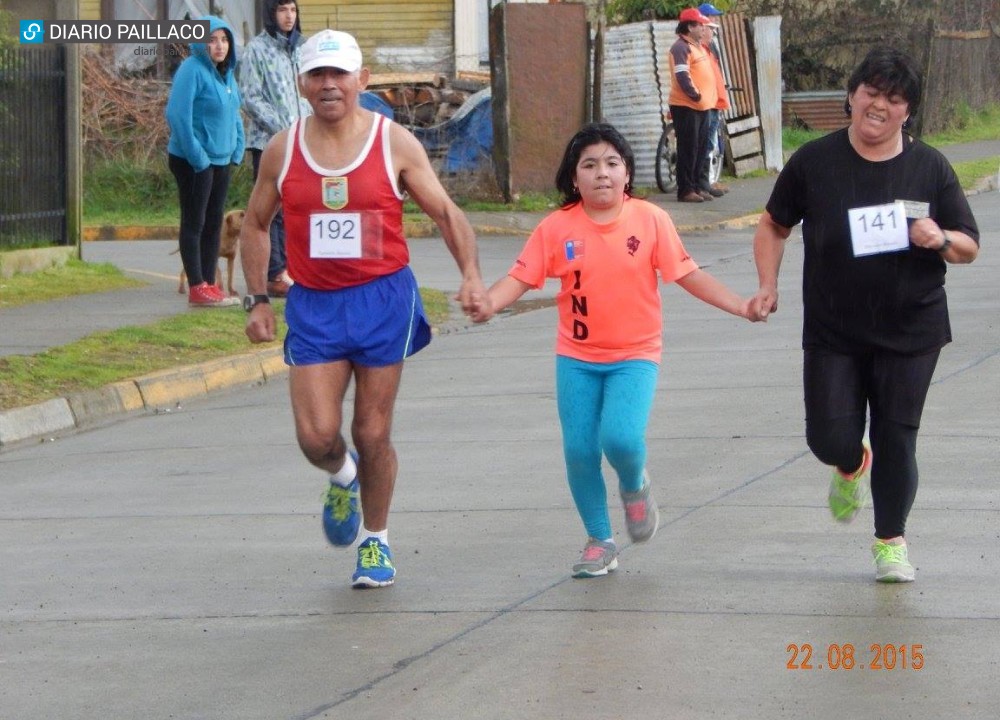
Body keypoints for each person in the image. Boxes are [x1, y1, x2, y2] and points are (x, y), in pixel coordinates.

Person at [240, 29, 492, 588]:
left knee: (372, 430)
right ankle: (341, 475)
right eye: (317, 75)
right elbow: (256, 224)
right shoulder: (283, 149)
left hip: (382, 300)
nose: (329, 85)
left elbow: (447, 215)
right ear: (302, 83)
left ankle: (375, 541)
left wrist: (471, 276)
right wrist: (257, 299)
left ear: (362, 80)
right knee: (317, 436)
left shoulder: (394, 141)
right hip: (315, 304)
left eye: (339, 74)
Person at [474, 123, 760, 578]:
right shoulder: (556, 227)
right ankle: (599, 539)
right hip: (577, 358)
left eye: (612, 163)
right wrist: (488, 302)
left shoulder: (650, 220)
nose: (601, 174)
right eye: (589, 165)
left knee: (621, 440)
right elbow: (521, 278)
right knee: (580, 451)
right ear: (574, 177)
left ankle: (634, 484)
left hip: (635, 356)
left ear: (627, 174)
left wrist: (741, 305)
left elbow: (688, 274)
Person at [749, 47, 980, 583]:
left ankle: (890, 540)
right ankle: (851, 464)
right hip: (834, 329)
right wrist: (767, 285)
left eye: (894, 99)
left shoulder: (929, 166)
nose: (880, 105)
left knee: (898, 435)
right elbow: (773, 226)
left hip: (911, 329)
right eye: (871, 93)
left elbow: (969, 245)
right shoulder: (814, 161)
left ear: (907, 111)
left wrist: (940, 237)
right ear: (851, 96)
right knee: (827, 437)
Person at [165, 15, 244, 308]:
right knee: (195, 222)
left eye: (224, 39)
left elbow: (234, 112)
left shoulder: (227, 74)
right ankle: (197, 287)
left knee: (214, 223)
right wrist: (198, 156)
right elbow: (177, 115)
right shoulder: (191, 69)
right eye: (212, 40)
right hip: (193, 161)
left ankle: (210, 284)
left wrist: (237, 147)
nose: (219, 46)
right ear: (201, 43)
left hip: (221, 160)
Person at [237, 0, 309, 298]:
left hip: (305, 140)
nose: (288, 16)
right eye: (282, 10)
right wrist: (282, 126)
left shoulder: (305, 48)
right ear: (271, 14)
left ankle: (297, 267)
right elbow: (250, 96)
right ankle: (274, 272)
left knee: (300, 204)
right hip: (270, 142)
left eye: (292, 10)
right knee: (272, 209)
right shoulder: (257, 49)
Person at [667, 7, 716, 203]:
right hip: (687, 106)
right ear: (689, 26)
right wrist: (695, 95)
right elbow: (682, 75)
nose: (703, 27)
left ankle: (696, 186)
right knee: (689, 148)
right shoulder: (681, 47)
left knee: (701, 148)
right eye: (699, 24)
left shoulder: (696, 46)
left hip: (702, 107)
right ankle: (686, 189)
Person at [697, 2, 729, 198]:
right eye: (711, 19)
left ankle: (708, 181)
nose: (714, 22)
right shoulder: (698, 48)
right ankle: (701, 183)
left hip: (715, 101)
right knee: (705, 144)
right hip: (706, 102)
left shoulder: (712, 47)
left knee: (709, 144)